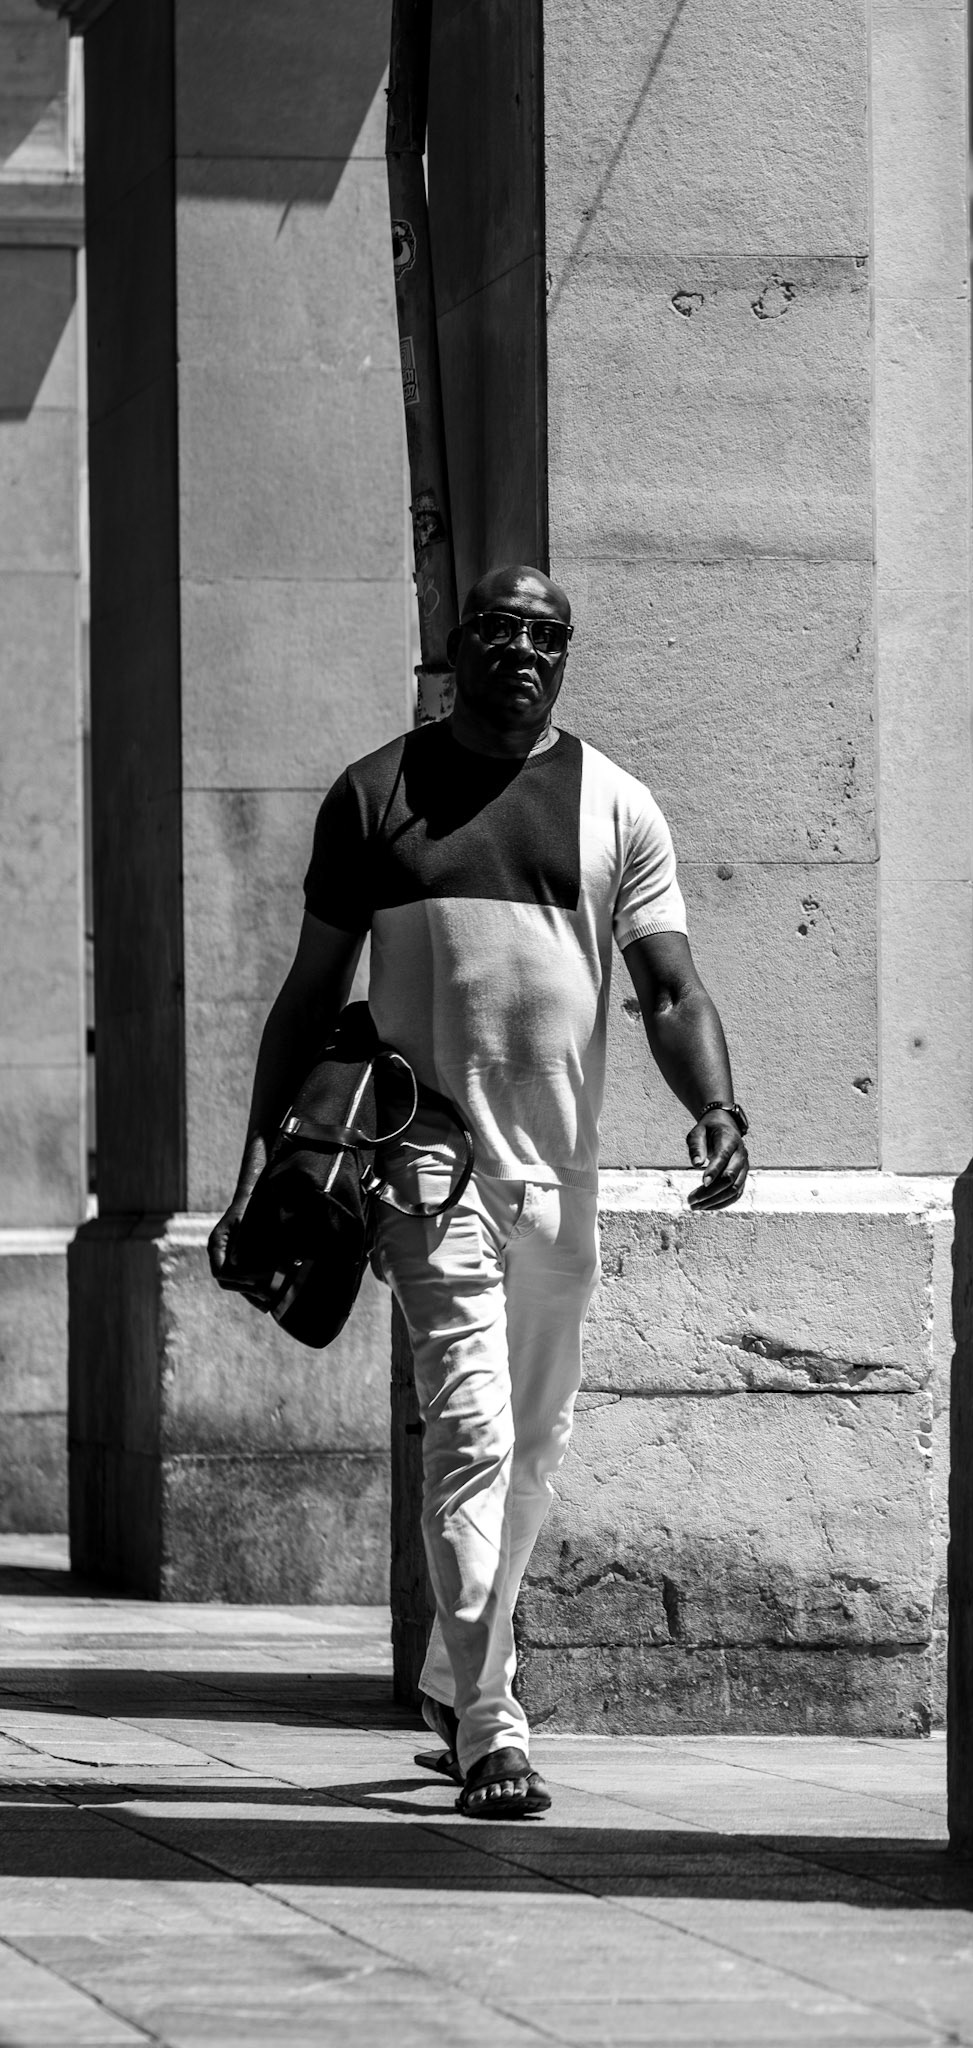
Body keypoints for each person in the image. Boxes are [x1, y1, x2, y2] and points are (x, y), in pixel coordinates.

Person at [208, 565, 750, 1818]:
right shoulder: (373, 794)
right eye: (498, 629)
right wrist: (254, 1159)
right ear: (456, 648)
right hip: (421, 1164)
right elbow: (308, 990)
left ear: (564, 657)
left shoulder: (615, 803)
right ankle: (492, 1723)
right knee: (475, 1431)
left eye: (544, 635)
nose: (520, 650)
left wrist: (713, 1105)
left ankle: (458, 1682)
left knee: (535, 1448)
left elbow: (668, 985)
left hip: (558, 1176)